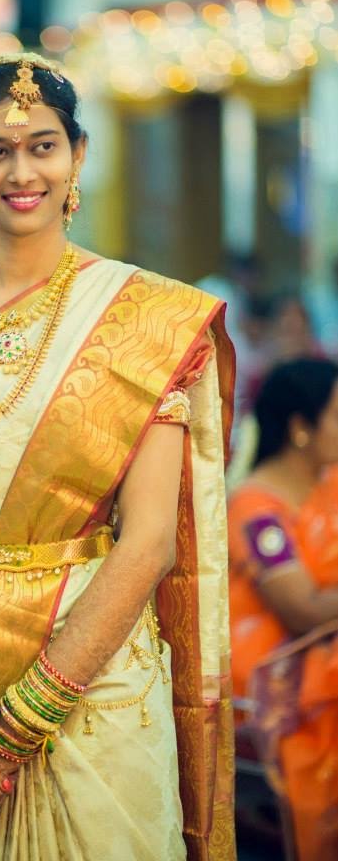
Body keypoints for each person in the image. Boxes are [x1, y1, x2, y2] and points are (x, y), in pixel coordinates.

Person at [0, 53, 236, 861]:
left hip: (90, 684)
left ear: (77, 156)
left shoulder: (144, 320)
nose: (21, 172)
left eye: (43, 147)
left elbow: (148, 543)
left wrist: (24, 716)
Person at [227, 358, 338, 861]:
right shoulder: (258, 511)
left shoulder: (327, 483)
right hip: (278, 679)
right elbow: (303, 610)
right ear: (300, 427)